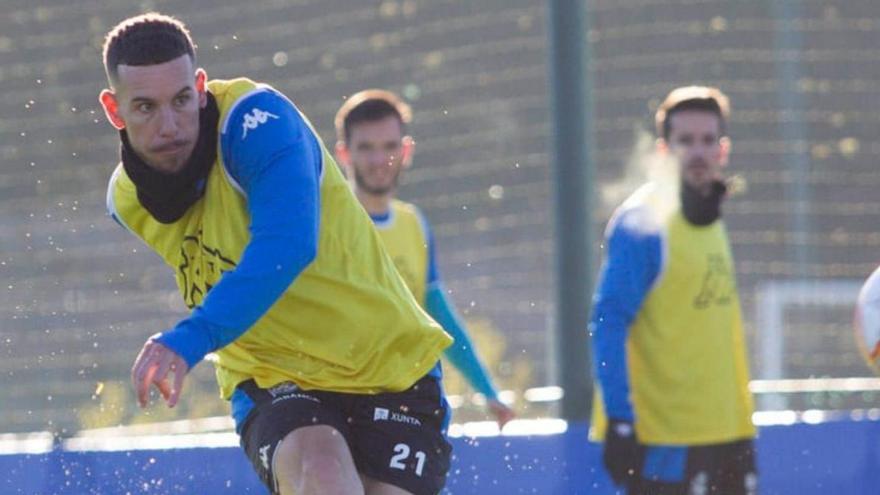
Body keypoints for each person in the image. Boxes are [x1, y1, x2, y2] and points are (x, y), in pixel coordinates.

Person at [99, 13, 454, 495]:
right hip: (273, 376)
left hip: (391, 368)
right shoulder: (126, 203)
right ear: (114, 110)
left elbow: (288, 244)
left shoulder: (257, 125)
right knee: (322, 471)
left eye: (182, 100)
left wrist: (189, 339)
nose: (170, 126)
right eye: (145, 107)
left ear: (201, 88)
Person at [589, 86, 757, 495]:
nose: (697, 152)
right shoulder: (642, 223)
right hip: (666, 442)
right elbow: (607, 323)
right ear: (664, 150)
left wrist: (741, 429)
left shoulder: (711, 216)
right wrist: (620, 419)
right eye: (685, 141)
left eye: (707, 140)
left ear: (724, 149)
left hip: (728, 433)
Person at [333, 90, 515, 429]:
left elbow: (437, 313)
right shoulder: (326, 222)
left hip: (400, 404)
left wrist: (487, 390)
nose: (379, 160)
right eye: (366, 148)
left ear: (407, 151)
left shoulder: (414, 224)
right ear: (344, 154)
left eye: (389, 147)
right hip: (335, 404)